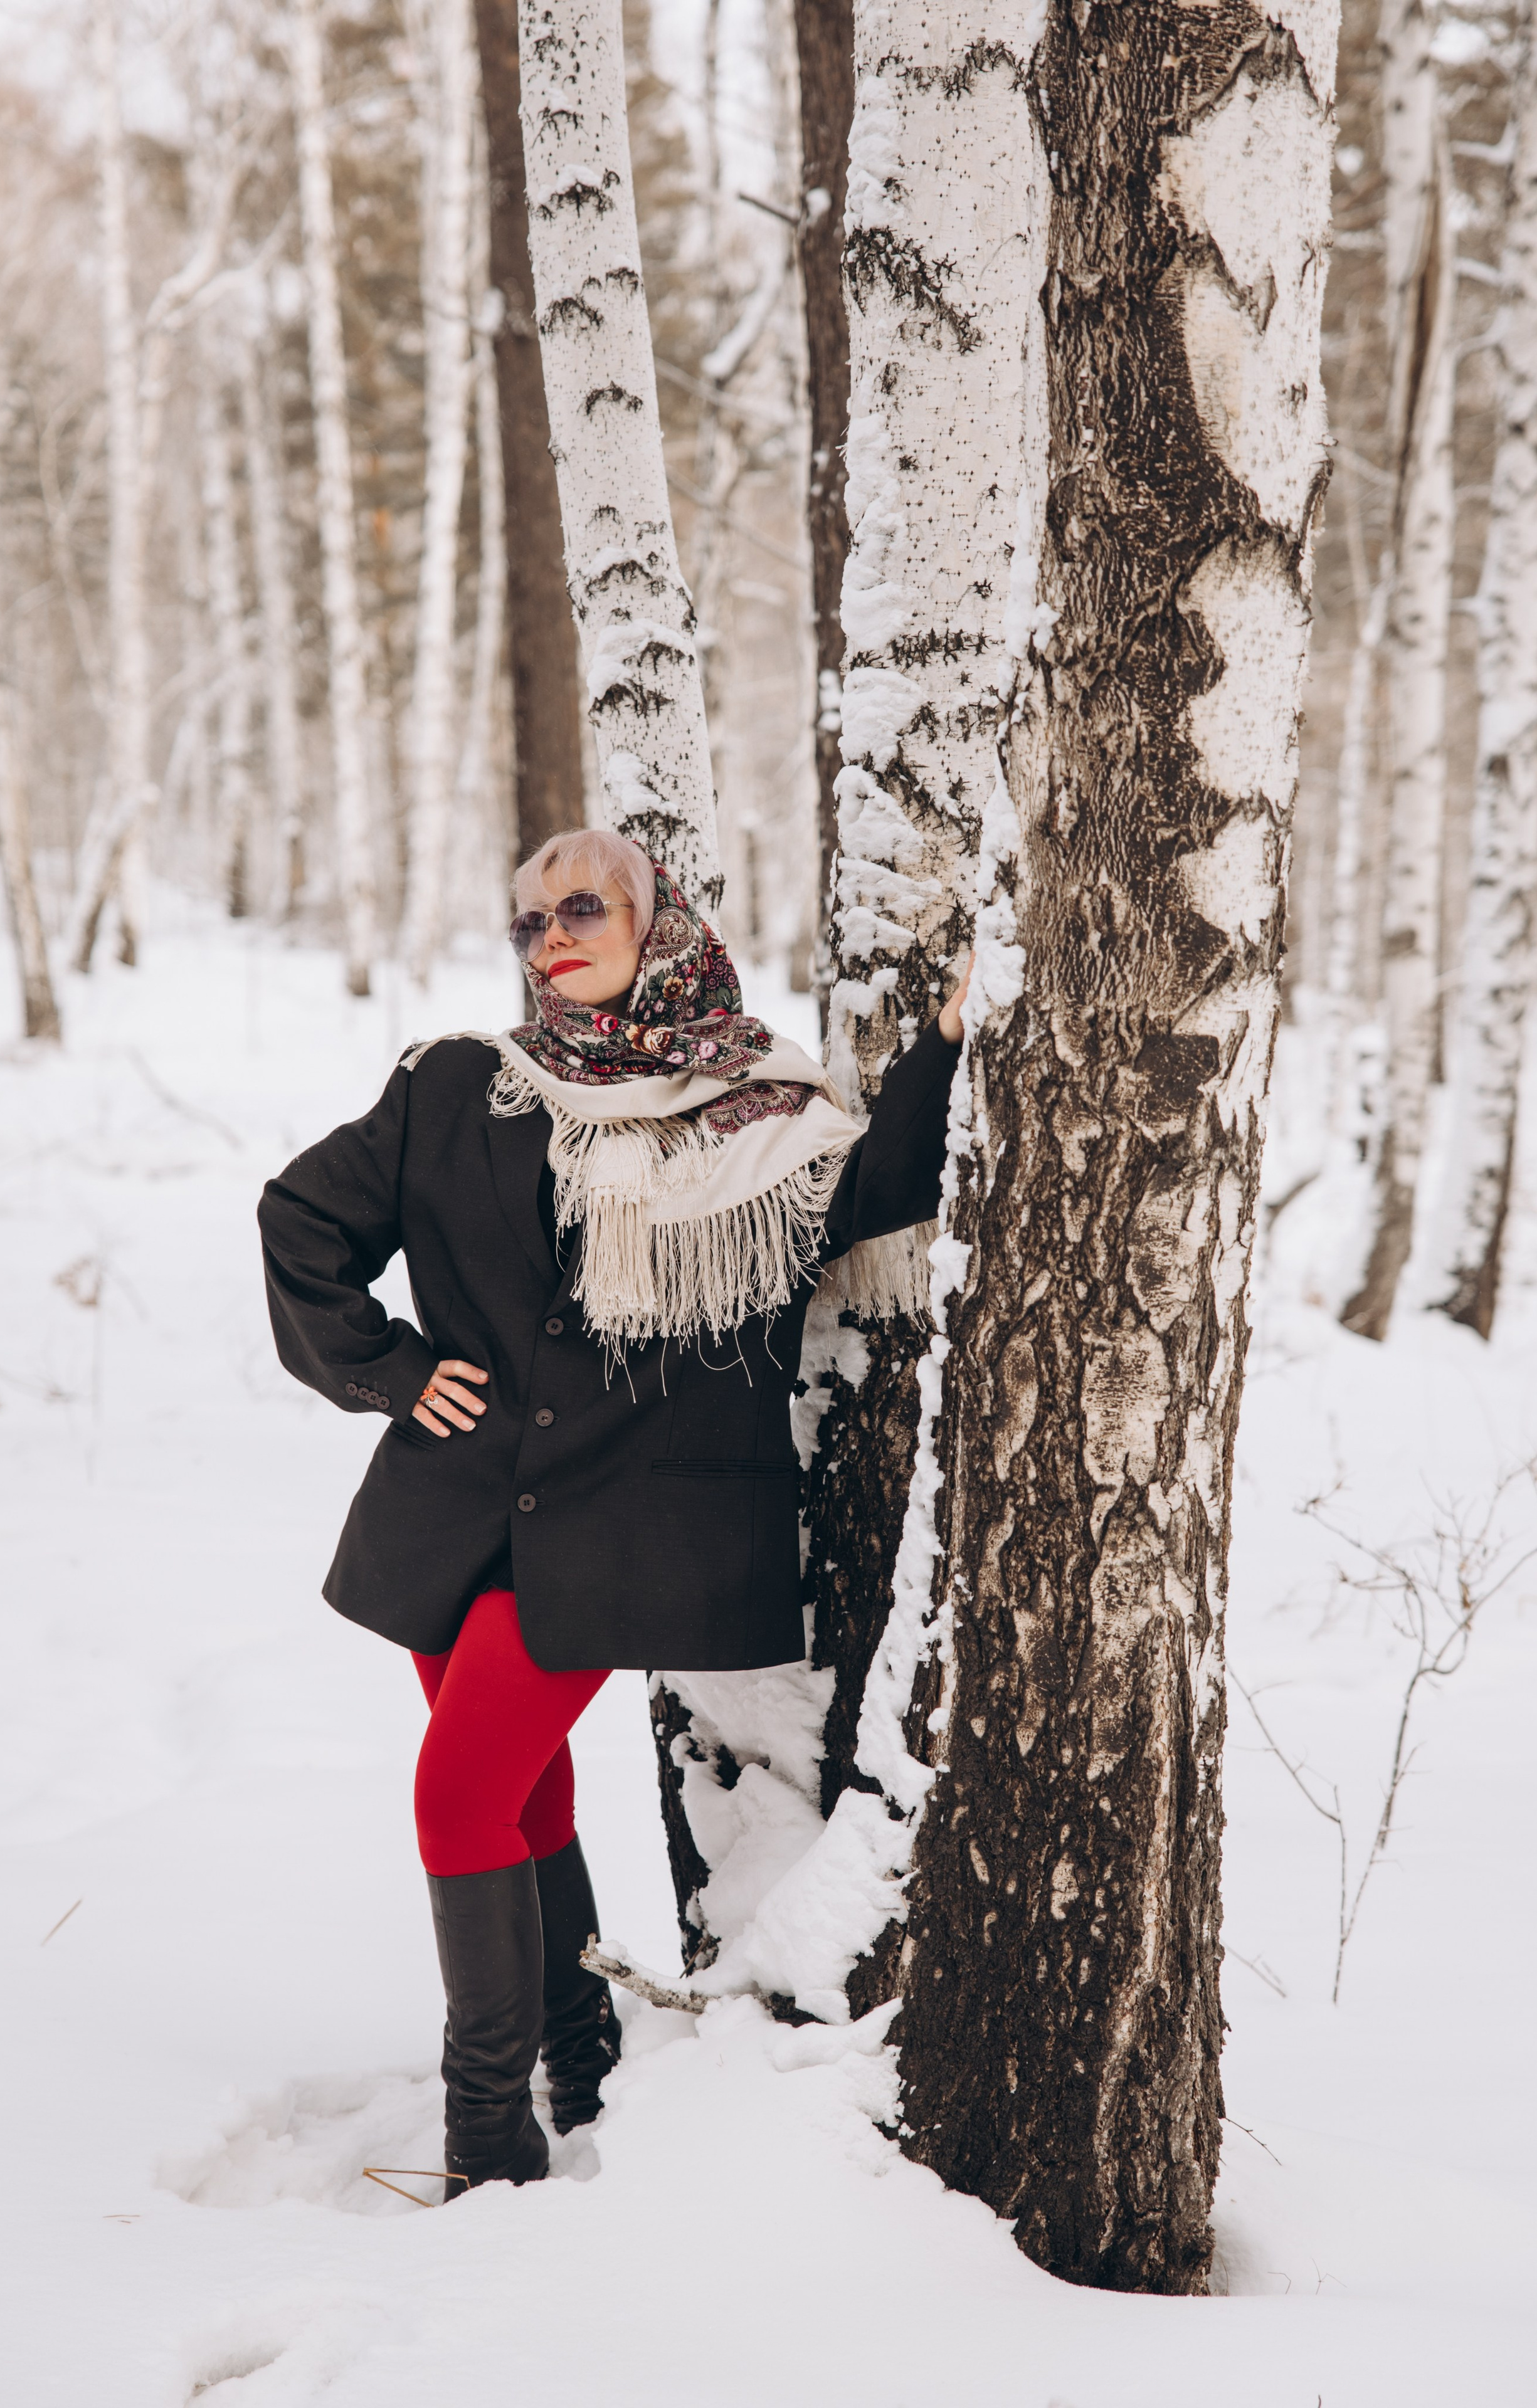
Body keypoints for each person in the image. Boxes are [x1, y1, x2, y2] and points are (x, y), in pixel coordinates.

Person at [258, 828, 967, 2199]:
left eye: (581, 906)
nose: (549, 938)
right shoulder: (464, 1086)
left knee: (458, 1789)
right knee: (519, 1789)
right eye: (527, 920)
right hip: (453, 1514)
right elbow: (298, 1219)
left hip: (619, 1527)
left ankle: (487, 2139)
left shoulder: (754, 1111)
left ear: (658, 918)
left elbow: (889, 1181)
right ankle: (576, 2054)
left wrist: (945, 1041)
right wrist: (393, 1369)